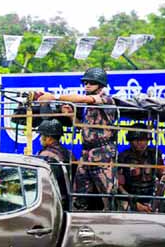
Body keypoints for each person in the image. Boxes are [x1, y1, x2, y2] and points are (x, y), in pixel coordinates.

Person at [37, 67, 117, 210]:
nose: (87, 85)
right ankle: (79, 217)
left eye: (91, 83)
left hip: (103, 153)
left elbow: (83, 98)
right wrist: (70, 116)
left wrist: (55, 97)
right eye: (85, 82)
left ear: (100, 85)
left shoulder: (105, 99)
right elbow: (84, 127)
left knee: (108, 193)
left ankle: (116, 219)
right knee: (79, 191)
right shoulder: (88, 106)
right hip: (87, 153)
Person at [117, 123, 165, 213]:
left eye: (142, 139)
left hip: (150, 199)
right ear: (130, 141)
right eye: (135, 139)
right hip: (128, 200)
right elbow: (119, 186)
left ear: (148, 140)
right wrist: (135, 204)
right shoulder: (123, 157)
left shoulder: (155, 155)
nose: (139, 142)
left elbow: (163, 177)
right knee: (124, 207)